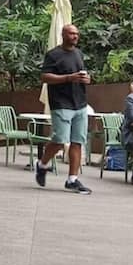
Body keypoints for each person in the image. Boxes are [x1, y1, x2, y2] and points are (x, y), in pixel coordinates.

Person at [34, 24, 92, 194]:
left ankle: (72, 179)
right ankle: (42, 164)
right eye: (71, 33)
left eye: (77, 34)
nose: (75, 36)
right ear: (63, 35)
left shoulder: (79, 53)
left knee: (77, 141)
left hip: (80, 103)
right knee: (60, 140)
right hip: (61, 103)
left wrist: (87, 79)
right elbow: (44, 77)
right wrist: (68, 78)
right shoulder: (54, 54)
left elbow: (81, 74)